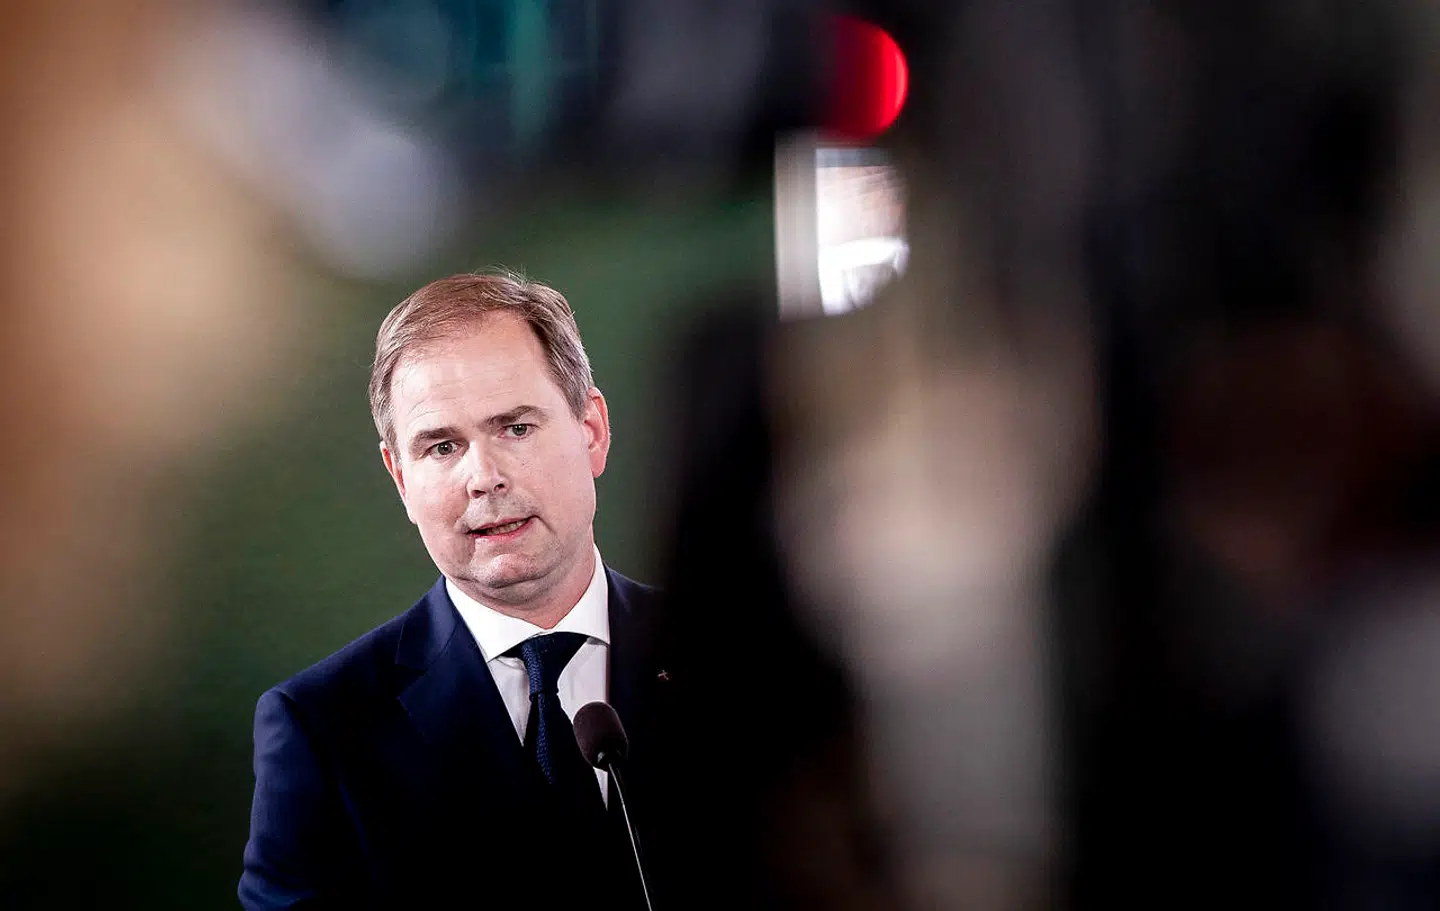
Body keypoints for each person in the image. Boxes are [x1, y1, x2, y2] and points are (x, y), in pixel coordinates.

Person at [239, 273, 672, 909]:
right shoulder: (323, 731)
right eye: (442, 446)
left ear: (592, 430)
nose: (484, 478)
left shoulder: (749, 659)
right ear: (401, 479)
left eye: (516, 428)